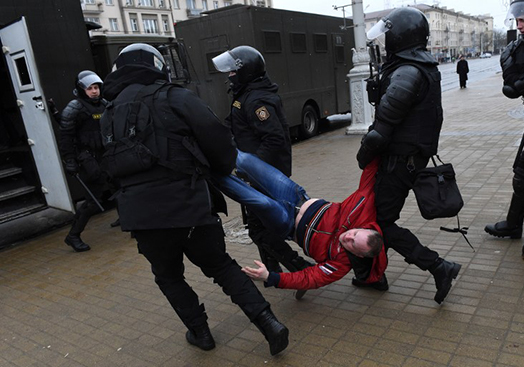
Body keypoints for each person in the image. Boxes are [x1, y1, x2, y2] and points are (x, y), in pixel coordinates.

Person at [100, 43, 288, 356]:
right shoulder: (175, 97)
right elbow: (219, 145)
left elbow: (106, 165)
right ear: (157, 66)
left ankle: (200, 333)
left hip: (142, 216)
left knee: (168, 277)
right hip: (189, 206)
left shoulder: (108, 112)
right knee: (222, 268)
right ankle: (268, 322)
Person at [355, 7, 461, 304]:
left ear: (399, 36)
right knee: (376, 220)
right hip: (406, 158)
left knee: (381, 224)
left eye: (388, 34)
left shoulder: (407, 71)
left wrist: (363, 155)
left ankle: (438, 266)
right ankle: (371, 275)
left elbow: (382, 129)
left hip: (398, 161)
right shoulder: (416, 65)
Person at [211, 151, 388, 291]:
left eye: (352, 243)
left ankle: (206, 170)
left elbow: (310, 278)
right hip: (297, 196)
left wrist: (271, 278)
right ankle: (205, 137)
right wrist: (379, 140)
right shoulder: (364, 212)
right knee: (246, 161)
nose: (347, 237)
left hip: (286, 223)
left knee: (262, 203)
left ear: (358, 255)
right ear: (364, 228)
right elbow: (369, 176)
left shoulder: (340, 264)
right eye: (354, 233)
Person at [212, 45, 312, 274]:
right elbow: (232, 123)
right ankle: (270, 268)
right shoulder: (245, 95)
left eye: (232, 71)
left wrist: (253, 169)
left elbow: (274, 139)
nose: (229, 76)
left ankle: (301, 269)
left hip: (265, 176)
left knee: (259, 229)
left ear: (245, 71)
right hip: (259, 175)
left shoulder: (257, 101)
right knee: (261, 224)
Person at [485, 0, 524, 240]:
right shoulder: (513, 50)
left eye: (523, 20)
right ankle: (513, 225)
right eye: (516, 20)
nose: (519, 25)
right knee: (522, 170)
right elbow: (510, 88)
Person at [58, 70, 107, 252]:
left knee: (120, 188)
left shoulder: (103, 104)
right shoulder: (74, 108)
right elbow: (66, 137)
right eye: (89, 88)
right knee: (92, 201)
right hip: (88, 160)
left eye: (96, 88)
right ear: (81, 90)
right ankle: (73, 235)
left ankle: (128, 222)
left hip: (105, 156)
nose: (94, 91)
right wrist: (70, 160)